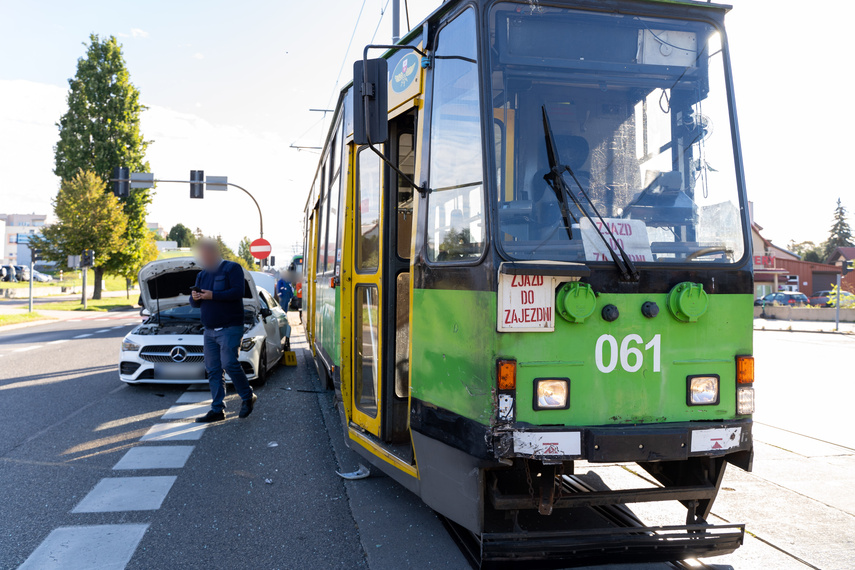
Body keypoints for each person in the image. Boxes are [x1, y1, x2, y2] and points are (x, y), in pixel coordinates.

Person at [190, 239, 257, 422]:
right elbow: (194, 303)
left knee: (229, 363)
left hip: (230, 327)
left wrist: (213, 295)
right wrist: (195, 297)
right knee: (213, 370)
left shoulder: (232, 268)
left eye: (204, 254)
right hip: (209, 330)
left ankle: (247, 396)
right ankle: (217, 409)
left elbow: (237, 292)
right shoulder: (202, 275)